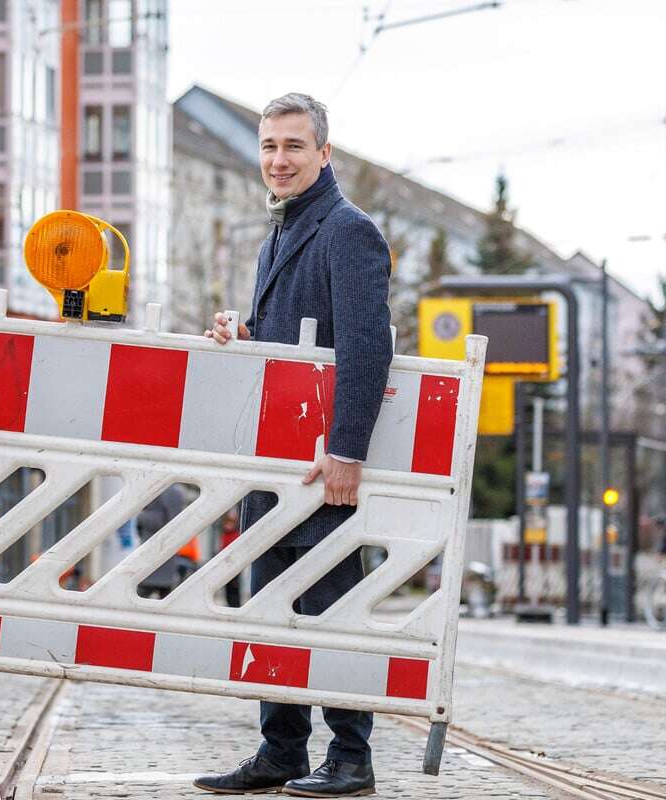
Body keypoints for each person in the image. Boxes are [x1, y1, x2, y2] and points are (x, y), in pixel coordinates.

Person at [194, 93, 392, 798]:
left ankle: (350, 757)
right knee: (271, 603)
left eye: (293, 146)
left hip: (318, 461)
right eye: (270, 146)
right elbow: (297, 340)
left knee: (329, 606)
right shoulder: (279, 231)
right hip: (274, 458)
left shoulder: (347, 230)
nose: (278, 159)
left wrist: (347, 451)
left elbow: (368, 347)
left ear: (324, 153)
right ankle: (281, 750)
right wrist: (245, 333)